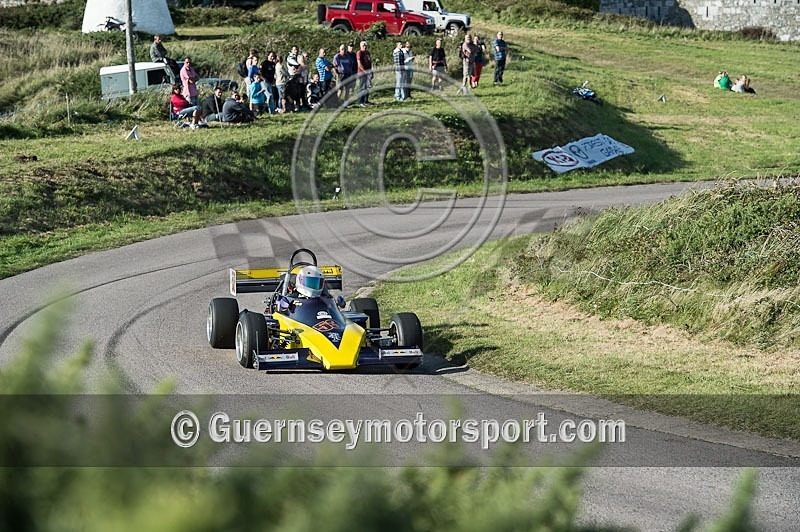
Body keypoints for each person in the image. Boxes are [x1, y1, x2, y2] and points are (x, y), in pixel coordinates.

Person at [356, 40, 372, 107]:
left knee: (367, 87)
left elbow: (369, 61)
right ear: (360, 46)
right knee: (362, 87)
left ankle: (366, 100)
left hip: (368, 71)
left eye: (365, 45)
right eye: (363, 45)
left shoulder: (367, 53)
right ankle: (360, 101)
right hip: (362, 72)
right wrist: (364, 71)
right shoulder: (359, 53)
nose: (364, 47)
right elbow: (359, 64)